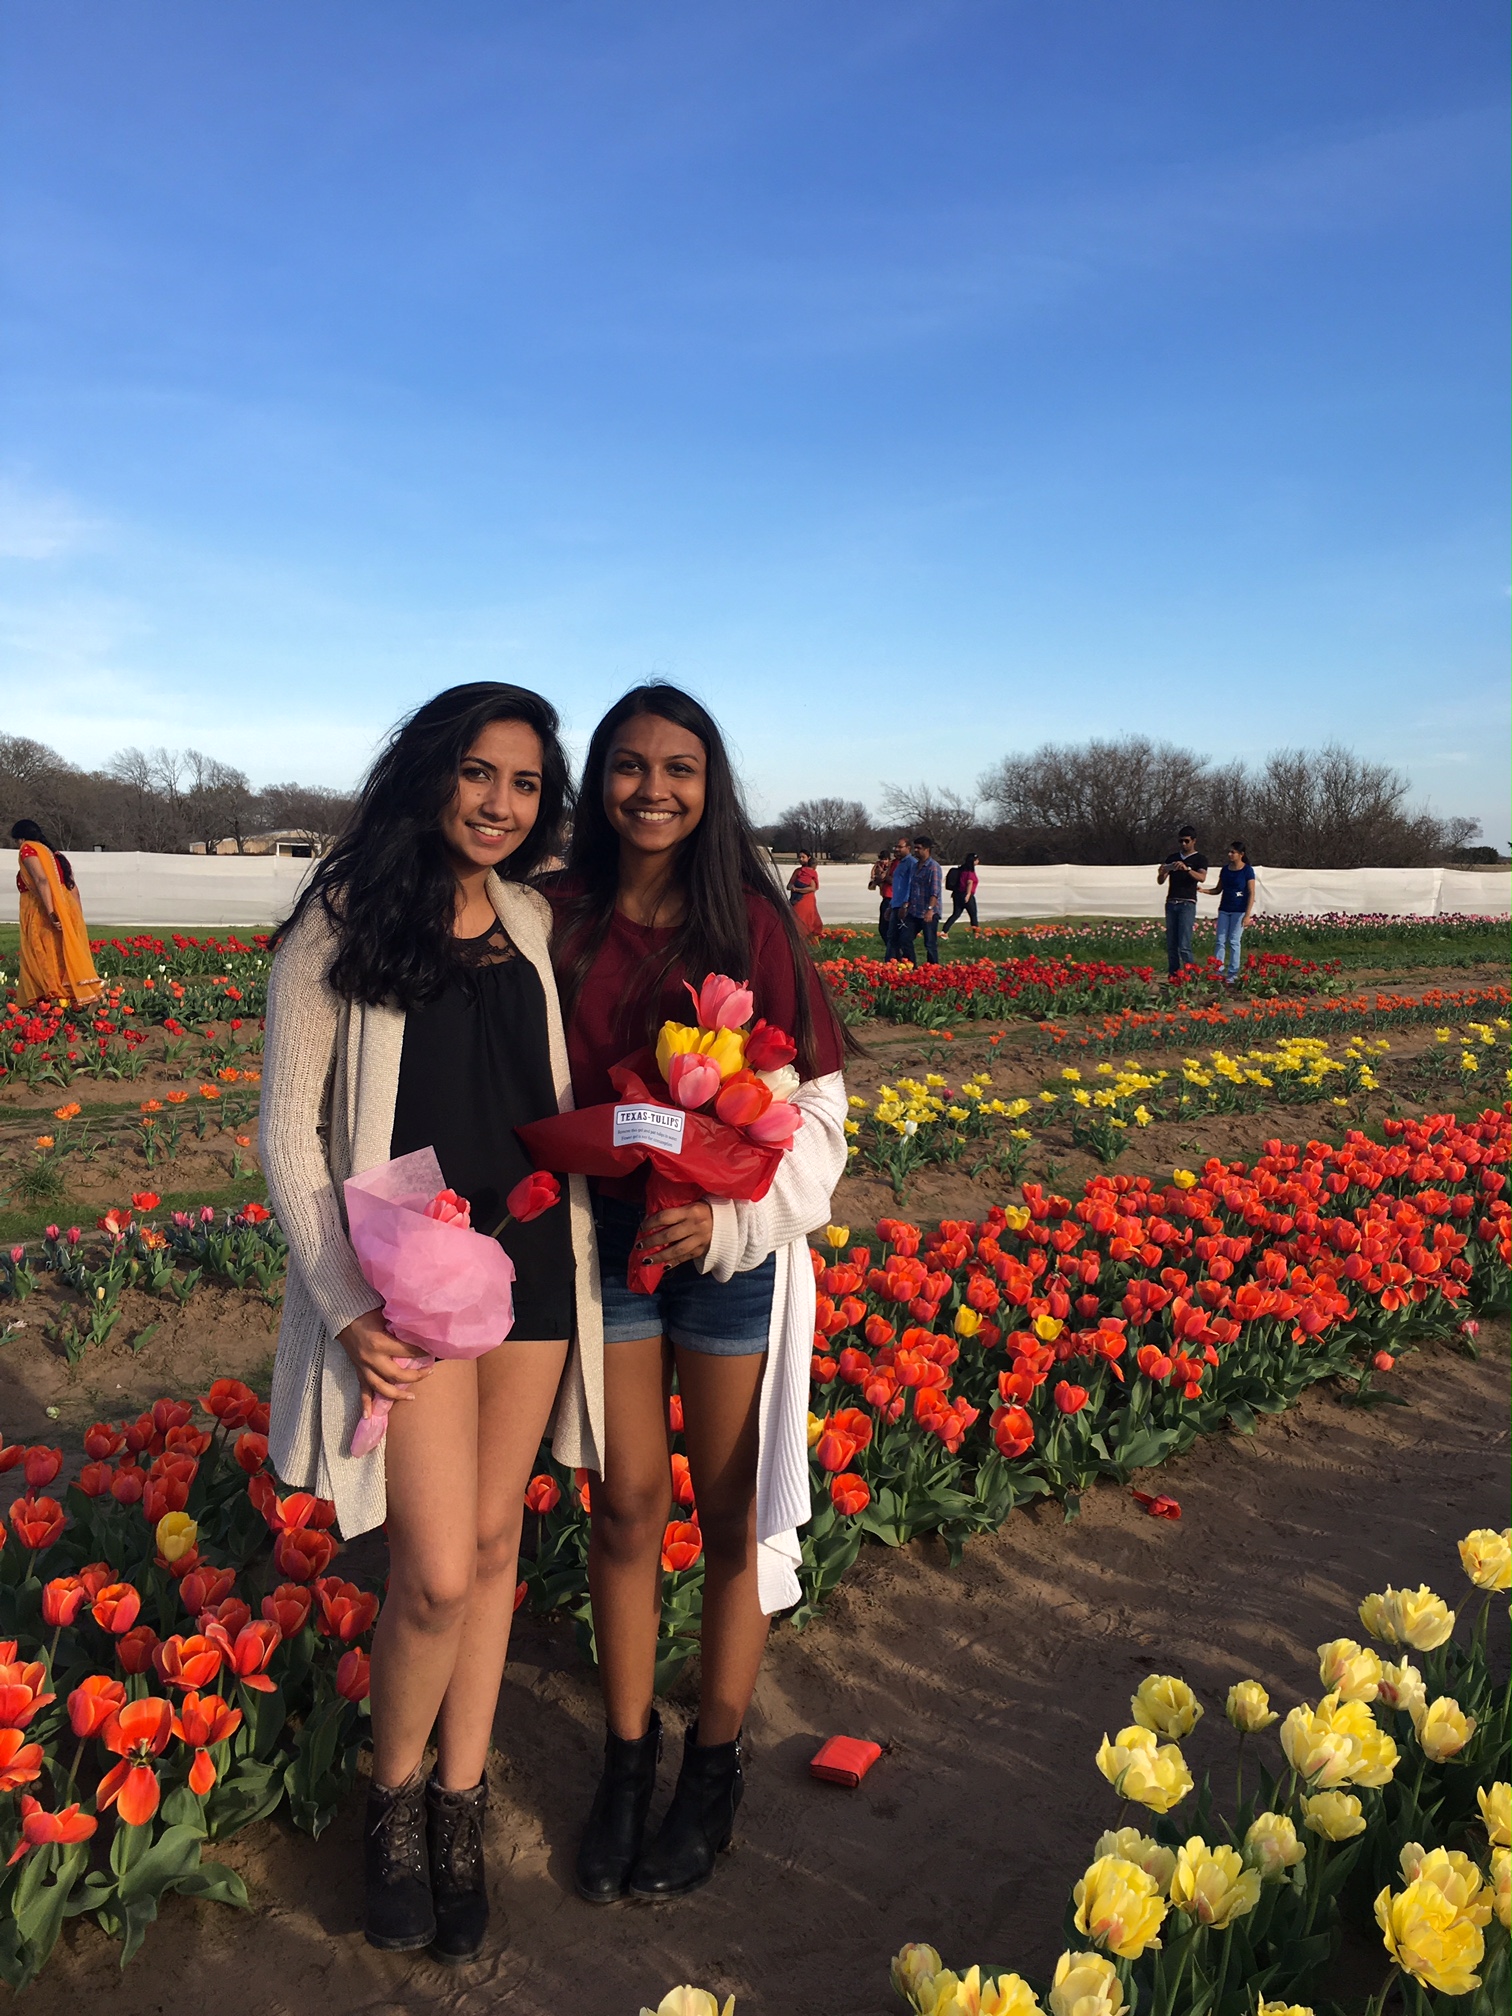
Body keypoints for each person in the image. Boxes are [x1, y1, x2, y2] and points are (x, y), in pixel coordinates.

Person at [259, 683, 605, 1964]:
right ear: (429, 774)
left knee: (501, 1541)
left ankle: (463, 1802)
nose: (499, 804)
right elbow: (287, 1139)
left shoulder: (530, 917)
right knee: (435, 1571)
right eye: (478, 773)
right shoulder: (342, 921)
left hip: (528, 1268)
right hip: (407, 1289)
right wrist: (344, 1306)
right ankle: (391, 1802)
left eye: (523, 785)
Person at [545, 683, 849, 1906]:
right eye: (628, 765)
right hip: (603, 1246)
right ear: (598, 781)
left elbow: (815, 1110)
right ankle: (628, 1759)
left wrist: (729, 1218)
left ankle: (711, 1767)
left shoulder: (750, 920)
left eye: (679, 766)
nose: (652, 788)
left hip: (724, 1254)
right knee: (622, 1510)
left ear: (711, 783)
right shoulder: (553, 914)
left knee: (725, 1520)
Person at [10, 819, 102, 1009]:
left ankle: (51, 999)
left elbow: (41, 880)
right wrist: (75, 918)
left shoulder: (28, 849)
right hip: (66, 905)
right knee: (62, 950)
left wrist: (51, 913)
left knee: (43, 952)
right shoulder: (54, 854)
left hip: (41, 907)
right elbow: (72, 888)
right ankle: (72, 999)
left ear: (21, 838)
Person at [1156, 825, 1208, 980]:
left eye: (1186, 841)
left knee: (1184, 944)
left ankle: (1191, 976)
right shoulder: (1172, 857)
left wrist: (1186, 869)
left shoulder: (1200, 859)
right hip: (1172, 902)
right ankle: (1173, 975)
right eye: (1181, 841)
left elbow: (1202, 877)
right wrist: (1163, 872)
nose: (1183, 844)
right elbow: (1160, 881)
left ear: (1194, 841)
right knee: (1171, 943)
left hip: (1187, 903)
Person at [1213, 838, 1256, 985]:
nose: (1230, 854)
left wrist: (1247, 914)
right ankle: (1218, 971)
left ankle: (1233, 973)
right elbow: (1218, 889)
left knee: (1233, 941)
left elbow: (1251, 893)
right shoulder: (1225, 870)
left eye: (1233, 852)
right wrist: (1203, 890)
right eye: (1229, 852)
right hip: (1225, 909)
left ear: (1241, 854)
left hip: (1239, 911)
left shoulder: (1247, 871)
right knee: (1220, 941)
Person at [899, 834, 943, 966]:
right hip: (914, 911)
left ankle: (933, 968)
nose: (915, 850)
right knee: (905, 938)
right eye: (915, 848)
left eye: (918, 848)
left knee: (929, 943)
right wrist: (905, 905)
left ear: (927, 849)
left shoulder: (933, 867)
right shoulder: (915, 866)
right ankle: (911, 966)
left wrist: (930, 910)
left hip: (928, 912)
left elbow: (935, 891)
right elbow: (911, 888)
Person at [885, 839, 916, 959]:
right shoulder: (900, 863)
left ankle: (911, 965)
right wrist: (891, 905)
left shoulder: (912, 863)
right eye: (895, 847)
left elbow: (911, 885)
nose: (896, 849)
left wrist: (905, 904)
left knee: (904, 939)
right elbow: (897, 887)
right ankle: (891, 964)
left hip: (904, 906)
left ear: (908, 848)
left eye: (900, 847)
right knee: (892, 937)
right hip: (895, 904)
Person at [940, 852, 980, 936]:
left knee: (956, 914)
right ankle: (976, 934)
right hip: (966, 895)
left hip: (957, 894)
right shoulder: (970, 872)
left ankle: (944, 931)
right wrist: (968, 895)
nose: (978, 861)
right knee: (973, 915)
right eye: (976, 860)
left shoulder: (961, 870)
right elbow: (969, 882)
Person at [786, 850, 822, 939]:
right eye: (800, 857)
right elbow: (789, 884)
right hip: (795, 899)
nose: (801, 859)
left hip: (806, 900)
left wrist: (798, 889)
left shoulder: (810, 872)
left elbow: (813, 887)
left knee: (802, 920)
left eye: (803, 857)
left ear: (809, 858)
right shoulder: (798, 871)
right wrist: (791, 887)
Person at [866, 847, 897, 939]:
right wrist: (876, 878)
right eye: (882, 859)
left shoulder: (892, 866)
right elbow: (872, 885)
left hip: (891, 896)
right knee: (883, 927)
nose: (884, 861)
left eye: (885, 859)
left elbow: (889, 879)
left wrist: (883, 873)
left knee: (886, 927)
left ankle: (894, 948)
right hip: (885, 895)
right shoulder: (877, 867)